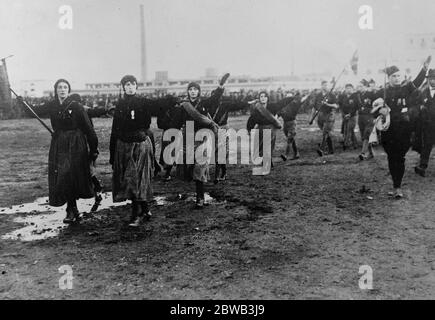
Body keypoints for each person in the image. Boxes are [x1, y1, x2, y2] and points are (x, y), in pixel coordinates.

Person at [110, 75, 168, 227]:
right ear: (123, 87)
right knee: (131, 179)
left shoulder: (144, 102)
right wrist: (112, 154)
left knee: (137, 178)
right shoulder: (120, 105)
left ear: (137, 86)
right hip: (123, 146)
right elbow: (115, 130)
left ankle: (136, 215)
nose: (130, 87)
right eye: (127, 84)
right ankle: (145, 209)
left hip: (141, 144)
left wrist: (173, 101)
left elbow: (160, 105)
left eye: (132, 84)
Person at [373, 56, 430, 198]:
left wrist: (424, 69)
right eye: (394, 76)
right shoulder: (382, 92)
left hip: (404, 130)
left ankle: (397, 186)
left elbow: (417, 82)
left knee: (400, 157)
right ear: (389, 78)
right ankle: (395, 183)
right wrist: (380, 111)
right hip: (389, 131)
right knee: (392, 158)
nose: (397, 78)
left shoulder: (407, 88)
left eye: (398, 75)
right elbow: (373, 111)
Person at [46, 79, 98, 223]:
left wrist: (93, 150)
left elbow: (89, 129)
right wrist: (22, 102)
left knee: (71, 175)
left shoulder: (76, 106)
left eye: (65, 87)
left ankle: (71, 210)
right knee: (63, 175)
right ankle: (72, 209)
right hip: (59, 144)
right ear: (55, 90)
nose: (62, 90)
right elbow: (35, 110)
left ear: (68, 90)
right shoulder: (52, 105)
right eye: (59, 87)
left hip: (75, 144)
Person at [174, 79, 225, 208]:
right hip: (188, 138)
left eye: (195, 89)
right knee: (189, 167)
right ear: (188, 91)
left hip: (202, 137)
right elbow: (177, 123)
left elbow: (214, 98)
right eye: (191, 89)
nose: (193, 92)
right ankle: (197, 193)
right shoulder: (183, 106)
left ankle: (200, 198)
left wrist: (220, 86)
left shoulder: (203, 103)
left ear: (199, 91)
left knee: (200, 167)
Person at [413, 69, 435, 177]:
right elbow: (417, 104)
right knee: (427, 145)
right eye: (431, 79)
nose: (433, 81)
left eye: (434, 79)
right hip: (428, 125)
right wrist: (420, 107)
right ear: (428, 79)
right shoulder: (423, 92)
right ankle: (422, 166)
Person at [309, 80, 339, 156]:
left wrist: (327, 104)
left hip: (329, 115)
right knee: (327, 133)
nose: (325, 86)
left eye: (326, 85)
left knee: (325, 132)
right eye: (323, 85)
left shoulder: (331, 94)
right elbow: (314, 108)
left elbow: (336, 106)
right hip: (320, 116)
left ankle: (321, 149)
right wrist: (311, 118)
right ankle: (331, 149)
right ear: (321, 86)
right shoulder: (318, 95)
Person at [277, 92, 303, 160]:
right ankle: (296, 153)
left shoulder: (295, 104)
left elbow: (301, 101)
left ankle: (286, 155)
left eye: (290, 97)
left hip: (292, 123)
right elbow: (278, 114)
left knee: (289, 139)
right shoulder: (282, 106)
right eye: (287, 97)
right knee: (291, 139)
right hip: (285, 124)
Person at [358, 79, 377, 160]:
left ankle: (363, 153)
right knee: (364, 136)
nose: (359, 88)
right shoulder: (358, 95)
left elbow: (378, 103)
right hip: (361, 117)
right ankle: (371, 153)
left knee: (367, 134)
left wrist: (374, 112)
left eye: (361, 86)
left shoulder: (371, 94)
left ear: (366, 86)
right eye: (358, 86)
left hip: (369, 116)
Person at [338, 84, 360, 151]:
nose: (348, 89)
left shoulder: (355, 96)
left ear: (352, 89)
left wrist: (350, 114)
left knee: (348, 130)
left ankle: (346, 144)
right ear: (345, 89)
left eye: (350, 88)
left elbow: (357, 107)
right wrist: (344, 114)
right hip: (344, 116)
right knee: (348, 129)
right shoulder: (342, 96)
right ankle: (355, 144)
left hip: (352, 116)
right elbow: (340, 106)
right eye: (347, 88)